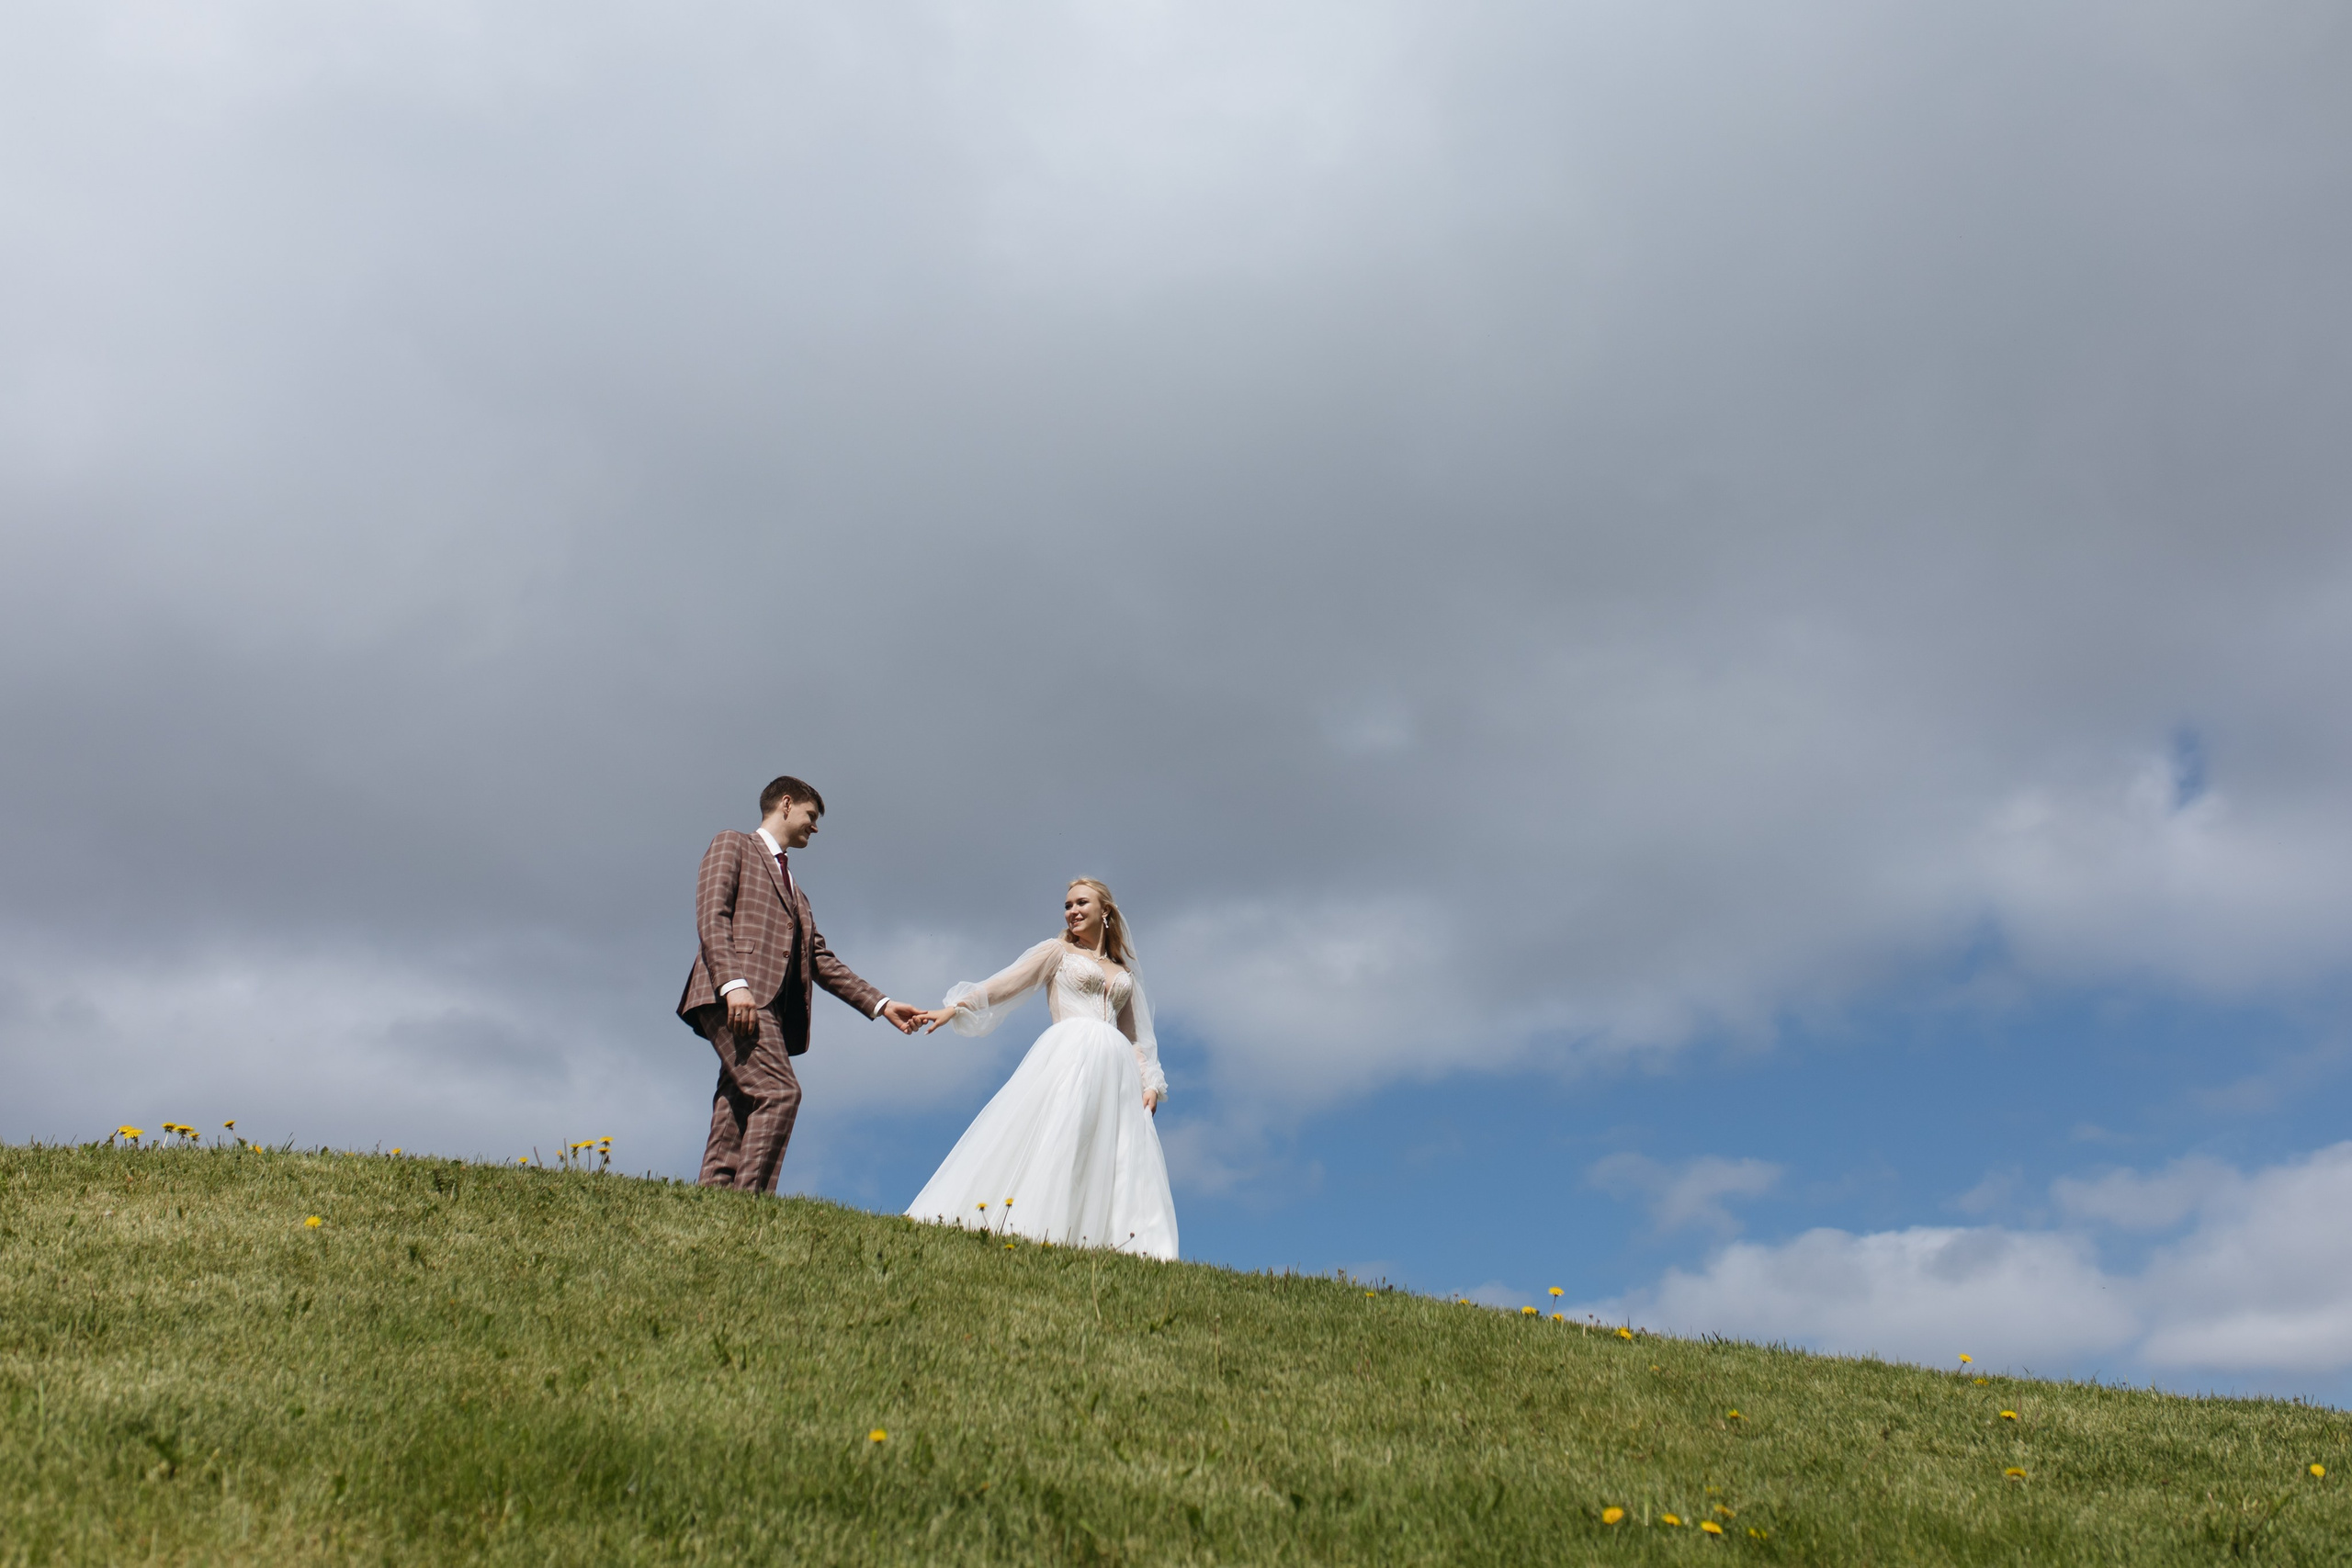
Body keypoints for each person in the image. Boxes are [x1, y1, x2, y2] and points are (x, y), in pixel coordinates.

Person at [906, 878, 1177, 1258]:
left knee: (1108, 1151)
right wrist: (957, 1006)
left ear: (1106, 912)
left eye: (1082, 902)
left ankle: (1103, 1241)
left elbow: (1136, 1037)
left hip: (1116, 1071)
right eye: (1068, 905)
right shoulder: (1057, 953)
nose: (1073, 911)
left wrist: (1149, 1081)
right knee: (1060, 1135)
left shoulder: (1123, 973)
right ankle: (1034, 1226)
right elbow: (1007, 983)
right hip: (1070, 1053)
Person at [677, 775, 924, 1191]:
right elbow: (712, 915)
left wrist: (882, 1005)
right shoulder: (733, 843)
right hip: (733, 993)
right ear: (786, 804)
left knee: (737, 1104)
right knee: (780, 1093)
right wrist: (733, 984)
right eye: (812, 815)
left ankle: (713, 1200)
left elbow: (821, 962)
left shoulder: (798, 893)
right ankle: (749, 1202)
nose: (816, 826)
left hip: (767, 1005)